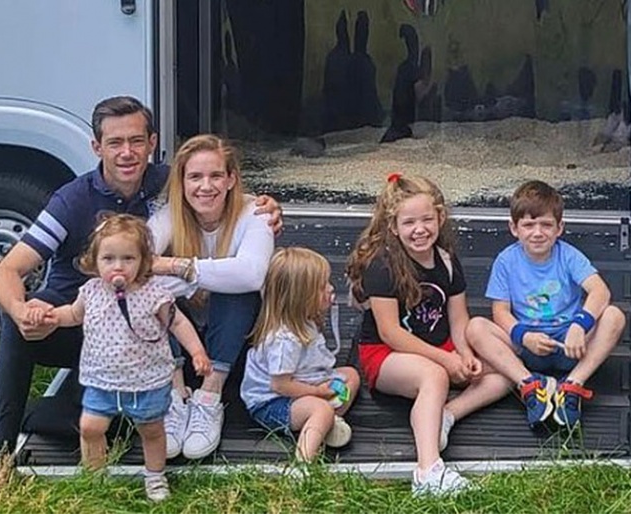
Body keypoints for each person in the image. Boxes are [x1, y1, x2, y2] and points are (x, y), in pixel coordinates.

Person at [0, 95, 281, 455]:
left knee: (112, 424)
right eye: (115, 143)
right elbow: (8, 270)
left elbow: (212, 181)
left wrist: (263, 205)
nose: (127, 152)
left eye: (136, 141)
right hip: (79, 315)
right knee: (15, 322)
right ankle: (1, 446)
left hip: (142, 328)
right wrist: (20, 311)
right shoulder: (72, 200)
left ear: (152, 143)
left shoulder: (169, 182)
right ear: (97, 147)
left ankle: (179, 400)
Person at [346, 173, 511, 496]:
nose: (419, 229)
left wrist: (463, 354)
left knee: (502, 371)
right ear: (393, 227)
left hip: (441, 345)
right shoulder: (383, 266)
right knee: (435, 376)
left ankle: (446, 416)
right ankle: (428, 471)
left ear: (440, 217)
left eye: (426, 219)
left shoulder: (446, 260)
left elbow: (458, 316)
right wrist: (446, 360)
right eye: (409, 222)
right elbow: (390, 332)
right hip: (386, 354)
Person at [27, 214, 211, 501]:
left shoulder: (154, 294)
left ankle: (155, 476)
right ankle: (95, 476)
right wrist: (51, 317)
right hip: (102, 380)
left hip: (146, 381)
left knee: (151, 431)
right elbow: (73, 315)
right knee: (90, 428)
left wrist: (197, 351)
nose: (118, 267)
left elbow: (177, 323)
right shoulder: (91, 292)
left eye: (128, 258)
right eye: (108, 259)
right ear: (95, 261)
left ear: (142, 261)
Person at [148, 134, 276, 461]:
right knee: (152, 294)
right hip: (181, 334)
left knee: (238, 290)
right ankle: (174, 395)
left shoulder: (254, 213)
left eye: (216, 175)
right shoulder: (167, 215)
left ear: (231, 179)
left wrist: (180, 269)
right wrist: (194, 284)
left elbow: (251, 274)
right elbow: (138, 269)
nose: (206, 186)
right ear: (181, 181)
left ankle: (209, 395)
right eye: (195, 176)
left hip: (235, 333)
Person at [466, 180, 625, 430]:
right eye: (528, 225)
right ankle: (529, 385)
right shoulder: (506, 261)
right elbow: (500, 312)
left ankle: (572, 386)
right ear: (514, 228)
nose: (537, 232)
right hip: (528, 344)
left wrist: (579, 325)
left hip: (571, 343)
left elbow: (600, 291)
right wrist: (524, 336)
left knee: (614, 316)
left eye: (546, 225)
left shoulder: (568, 255)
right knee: (476, 327)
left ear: (559, 227)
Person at [240, 247, 360, 462]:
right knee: (321, 408)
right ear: (300, 297)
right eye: (323, 286)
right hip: (273, 402)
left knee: (351, 376)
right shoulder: (284, 341)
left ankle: (330, 421)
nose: (331, 289)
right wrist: (316, 392)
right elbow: (280, 385)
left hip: (305, 381)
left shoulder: (304, 319)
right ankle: (304, 460)